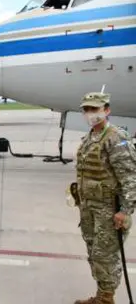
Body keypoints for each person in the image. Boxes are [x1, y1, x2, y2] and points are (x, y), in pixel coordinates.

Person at [73, 92, 136, 304]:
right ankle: (102, 296)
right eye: (87, 109)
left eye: (95, 109)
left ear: (106, 110)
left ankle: (106, 299)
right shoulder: (90, 137)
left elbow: (130, 177)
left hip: (109, 210)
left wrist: (125, 211)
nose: (91, 113)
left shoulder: (116, 138)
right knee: (94, 253)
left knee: (105, 256)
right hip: (90, 208)